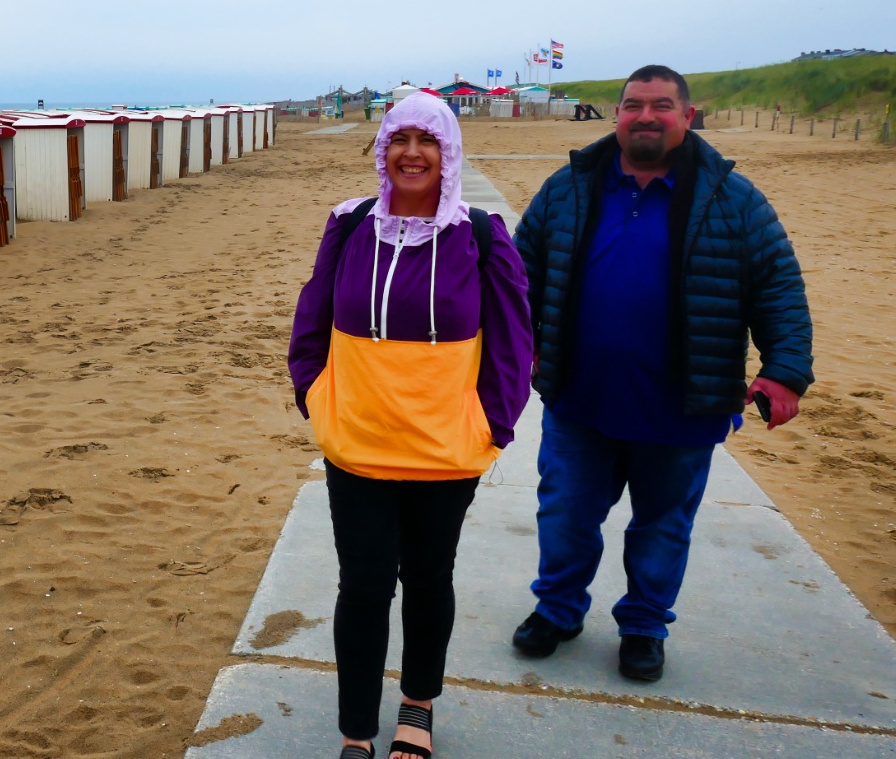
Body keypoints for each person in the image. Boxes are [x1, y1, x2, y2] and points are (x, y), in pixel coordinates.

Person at [510, 64, 813, 682]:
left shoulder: (734, 199)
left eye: (661, 105)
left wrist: (784, 371)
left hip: (683, 405)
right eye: (632, 104)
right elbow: (520, 275)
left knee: (663, 526)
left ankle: (645, 625)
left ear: (687, 114)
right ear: (616, 114)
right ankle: (558, 610)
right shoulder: (568, 188)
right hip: (580, 400)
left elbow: (778, 286)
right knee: (564, 514)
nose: (646, 116)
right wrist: (516, 347)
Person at [289, 93, 533, 759]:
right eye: (400, 138)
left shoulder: (480, 234)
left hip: (444, 448)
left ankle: (417, 709)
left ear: (449, 152)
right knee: (363, 585)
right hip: (357, 442)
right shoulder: (350, 224)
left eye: (429, 139)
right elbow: (312, 317)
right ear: (384, 150)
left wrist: (495, 424)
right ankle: (356, 733)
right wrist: (314, 393)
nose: (413, 152)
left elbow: (514, 342)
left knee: (429, 578)